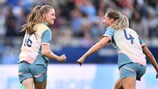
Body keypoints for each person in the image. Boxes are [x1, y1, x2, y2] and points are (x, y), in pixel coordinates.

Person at [77, 10, 158, 89]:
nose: (103, 21)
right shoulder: (133, 32)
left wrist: (84, 56)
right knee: (117, 87)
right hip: (142, 66)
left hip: (129, 64)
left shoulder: (112, 29)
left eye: (105, 18)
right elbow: (149, 54)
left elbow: (101, 43)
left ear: (111, 20)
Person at [18, 5, 67, 89]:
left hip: (23, 64)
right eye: (52, 15)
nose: (54, 17)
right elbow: (45, 52)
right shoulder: (46, 30)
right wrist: (58, 58)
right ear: (44, 15)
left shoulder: (30, 26)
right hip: (37, 64)